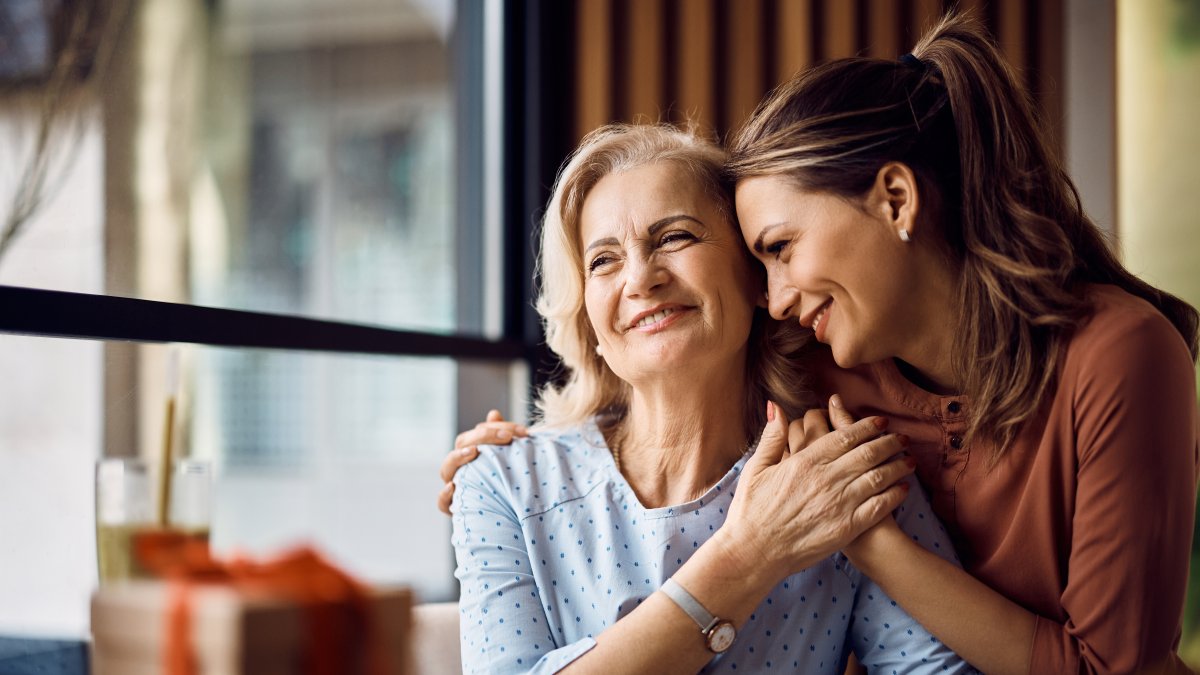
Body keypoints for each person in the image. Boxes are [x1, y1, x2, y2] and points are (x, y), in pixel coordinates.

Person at [446, 13, 1200, 675]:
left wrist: (870, 543)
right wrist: (504, 462)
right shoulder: (823, 367)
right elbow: (662, 370)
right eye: (603, 259)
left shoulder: (837, 430)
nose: (776, 297)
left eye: (777, 249)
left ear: (896, 199)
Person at [450, 123, 973, 674]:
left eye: (674, 237)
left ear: (756, 280)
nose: (640, 279)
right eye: (603, 260)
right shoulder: (502, 481)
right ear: (589, 322)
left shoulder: (838, 470)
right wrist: (750, 554)